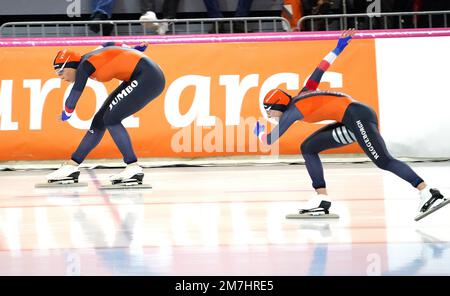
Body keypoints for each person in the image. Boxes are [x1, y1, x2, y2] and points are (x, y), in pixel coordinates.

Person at [253, 29, 447, 218]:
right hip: (351, 119)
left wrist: (259, 133)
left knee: (383, 160)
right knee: (309, 147)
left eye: (269, 110)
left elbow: (270, 140)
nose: (269, 115)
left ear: (278, 105)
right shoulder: (304, 93)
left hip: (357, 116)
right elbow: (320, 68)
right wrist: (338, 48)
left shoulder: (294, 110)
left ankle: (427, 191)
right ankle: (321, 200)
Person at [46, 42, 165, 185]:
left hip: (148, 77)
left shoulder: (84, 66)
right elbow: (108, 44)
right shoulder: (90, 56)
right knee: (100, 120)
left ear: (71, 66)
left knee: (111, 119)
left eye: (61, 71)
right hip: (138, 76)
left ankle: (133, 167)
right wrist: (132, 49)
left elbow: (76, 93)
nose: (61, 77)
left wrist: (67, 112)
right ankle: (71, 166)